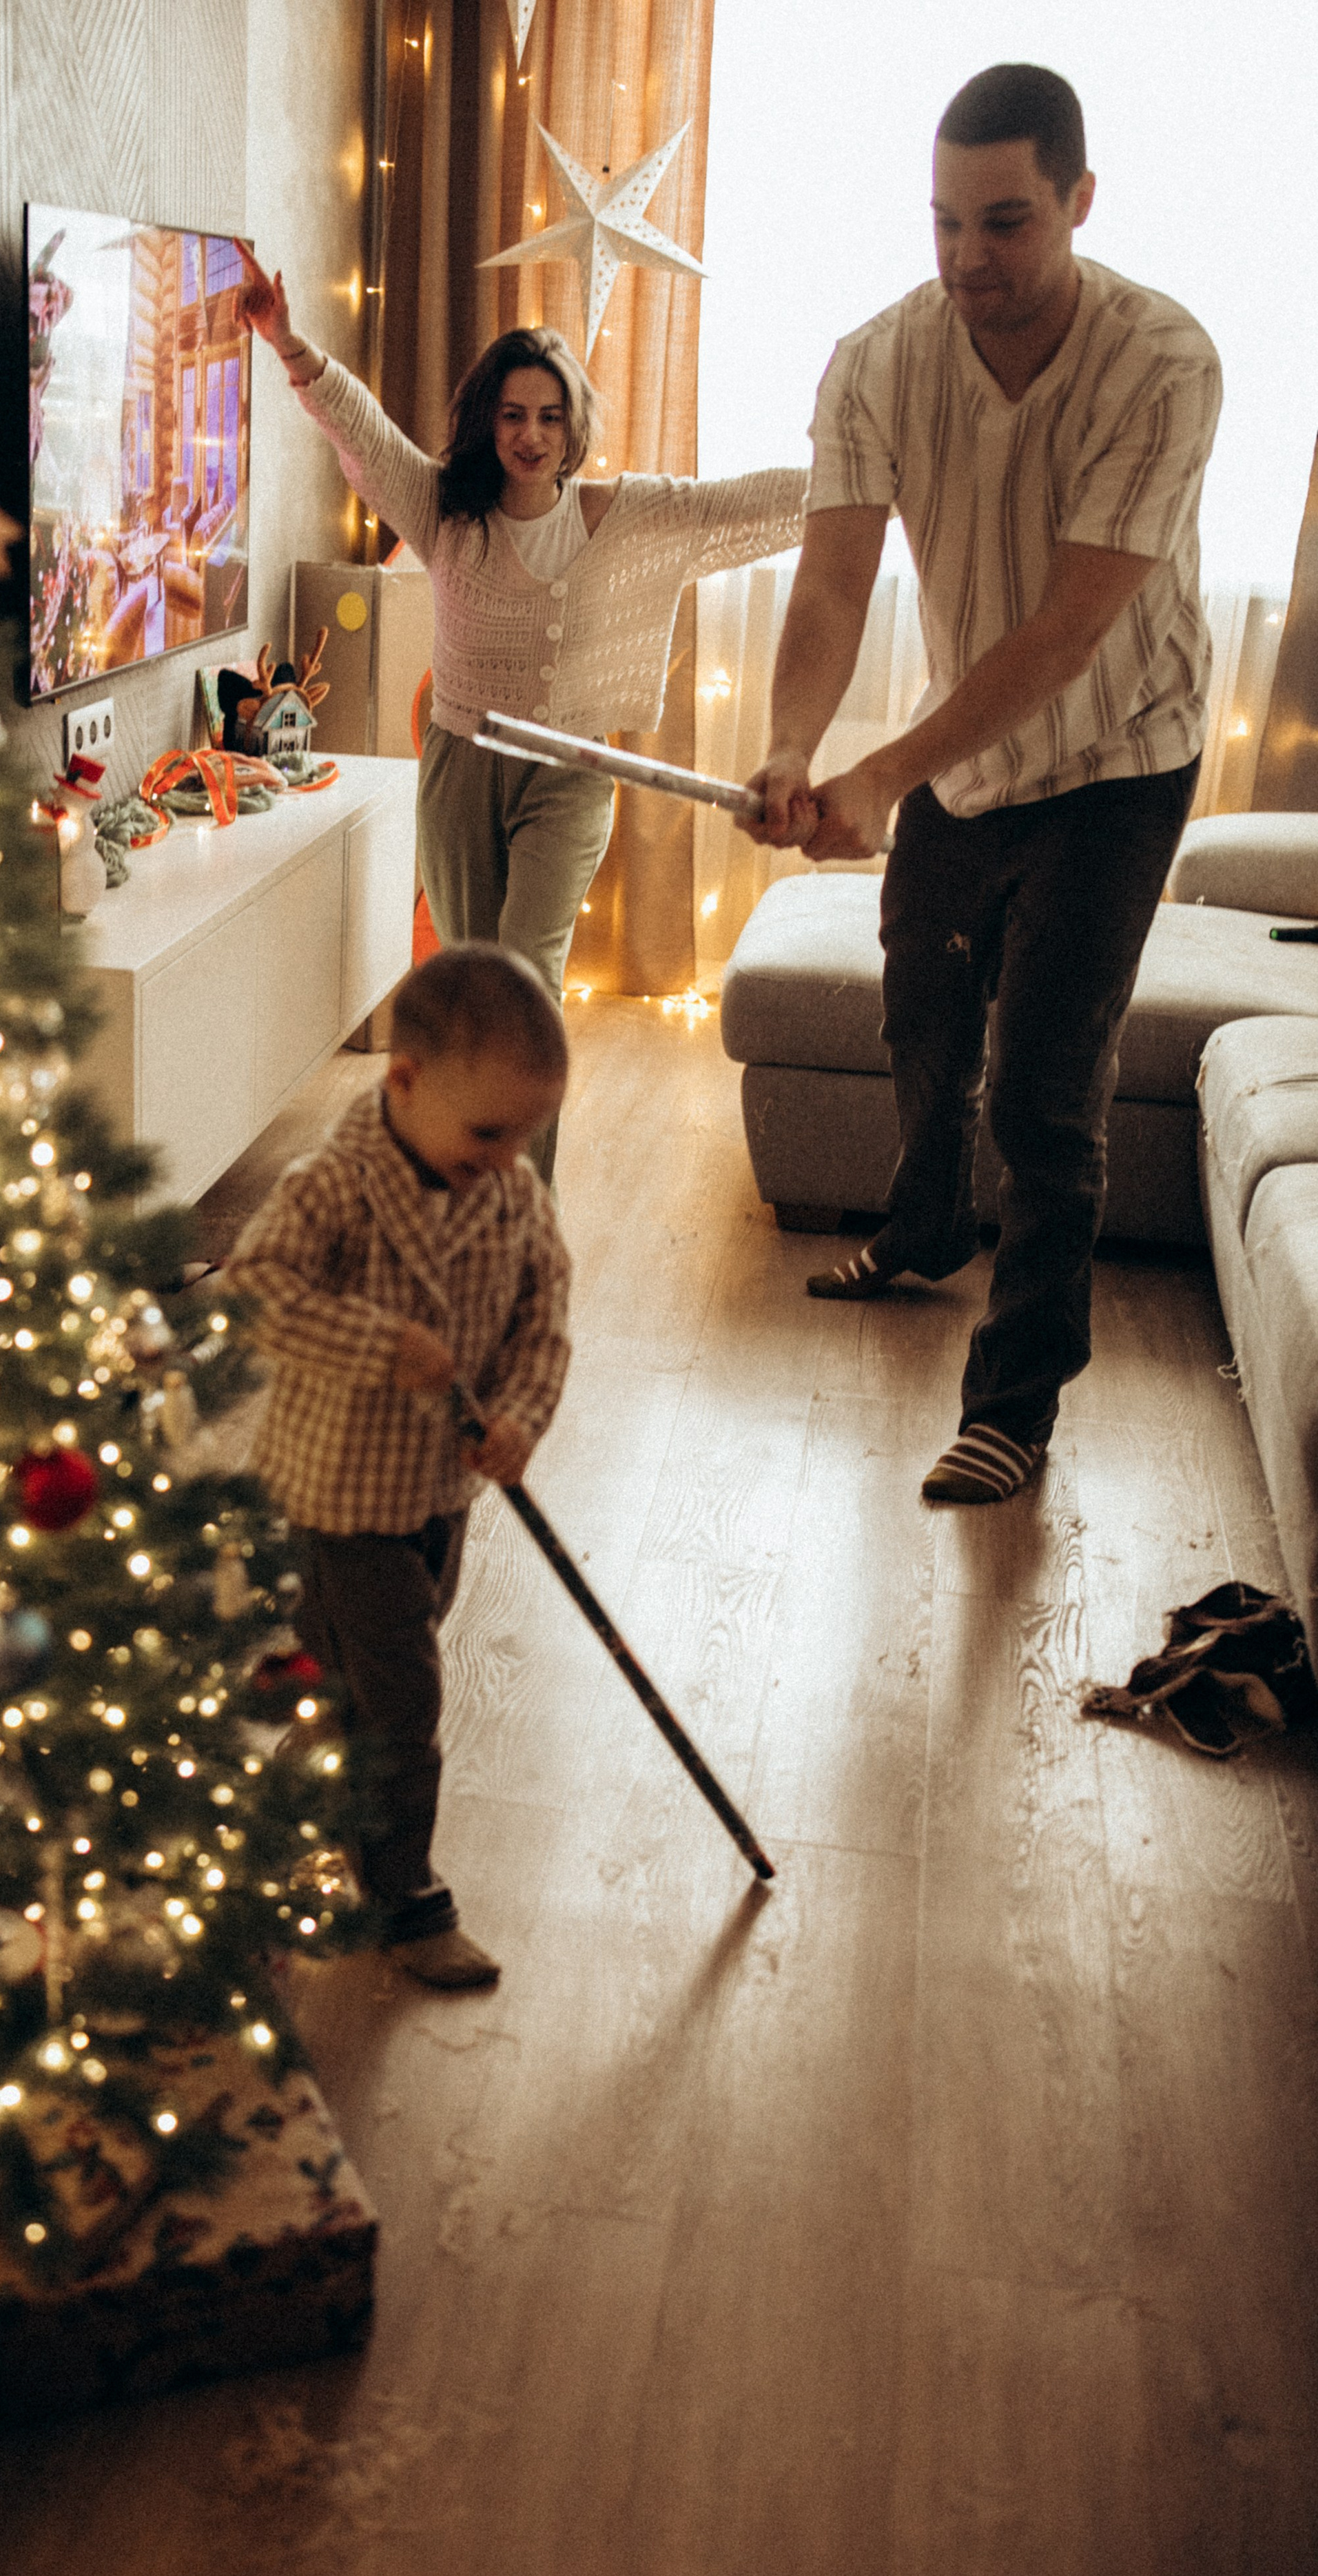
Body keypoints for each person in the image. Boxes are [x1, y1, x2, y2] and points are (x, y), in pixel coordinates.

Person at [747, 63, 1222, 1505]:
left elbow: (1066, 631)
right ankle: (921, 1228)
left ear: (1078, 201)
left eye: (1004, 222)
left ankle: (1014, 1403)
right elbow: (831, 588)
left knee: (1043, 1087)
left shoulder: (1162, 361)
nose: (966, 259)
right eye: (943, 223)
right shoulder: (876, 358)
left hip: (1118, 754)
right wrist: (788, 746)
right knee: (919, 1006)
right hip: (966, 748)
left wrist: (883, 771)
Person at [239, 246, 805, 1185]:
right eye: (513, 415)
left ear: (573, 426)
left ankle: (517, 1206)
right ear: (487, 422)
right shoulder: (444, 512)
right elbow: (360, 430)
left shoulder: (622, 515)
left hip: (572, 776)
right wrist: (287, 341)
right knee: (472, 987)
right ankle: (461, 1183)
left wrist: (864, 485)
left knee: (527, 980)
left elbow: (737, 509)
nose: (531, 435)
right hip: (463, 763)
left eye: (549, 416)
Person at [225, 945, 572, 1991]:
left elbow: (545, 1317)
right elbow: (255, 1292)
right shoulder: (334, 1184)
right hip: (334, 1504)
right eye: (488, 1132)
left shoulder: (508, 1193)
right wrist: (379, 1345)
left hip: (439, 1498)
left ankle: (264, 1836)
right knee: (405, 1705)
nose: (508, 1156)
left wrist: (518, 1415)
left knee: (350, 1698)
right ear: (405, 1080)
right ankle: (405, 1899)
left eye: (525, 1136)